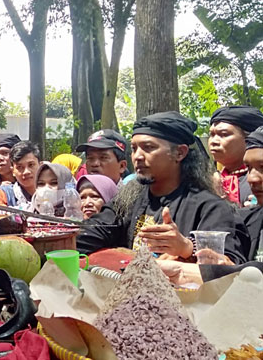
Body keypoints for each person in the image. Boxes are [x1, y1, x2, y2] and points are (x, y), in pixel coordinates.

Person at [76, 111, 249, 264]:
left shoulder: (210, 207)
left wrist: (187, 248)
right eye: (134, 148)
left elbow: (230, 265)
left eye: (148, 148)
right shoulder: (130, 198)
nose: (137, 157)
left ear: (179, 153)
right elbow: (94, 232)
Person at [160, 126, 263, 284]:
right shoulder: (248, 221)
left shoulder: (210, 205)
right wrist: (190, 254)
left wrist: (227, 273)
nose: (252, 178)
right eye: (248, 168)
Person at [209, 105, 263, 206]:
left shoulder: (256, 182)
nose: (214, 141)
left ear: (249, 138)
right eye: (211, 135)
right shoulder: (209, 181)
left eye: (224, 134)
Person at [0, 140, 41, 211]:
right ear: (13, 171)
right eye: (20, 167)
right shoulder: (3, 194)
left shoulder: (55, 191)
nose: (26, 172)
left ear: (41, 166)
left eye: (31, 165)